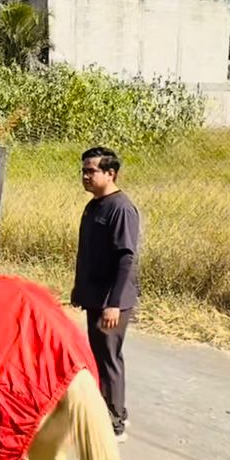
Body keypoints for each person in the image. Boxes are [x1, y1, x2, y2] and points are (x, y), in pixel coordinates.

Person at [70, 146, 140, 442]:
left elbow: (126, 258)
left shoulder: (120, 208)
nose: (86, 176)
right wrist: (79, 289)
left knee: (109, 359)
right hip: (94, 297)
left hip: (112, 302)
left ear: (110, 173)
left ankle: (115, 423)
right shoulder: (94, 205)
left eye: (92, 171)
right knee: (97, 356)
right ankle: (103, 413)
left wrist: (114, 303)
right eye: (83, 170)